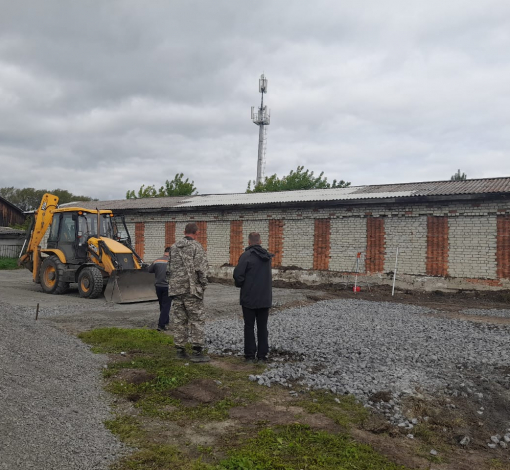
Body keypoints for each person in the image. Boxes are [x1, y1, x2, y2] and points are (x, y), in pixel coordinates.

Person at [168, 222, 209, 362]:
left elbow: (169, 269)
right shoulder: (196, 247)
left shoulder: (173, 247)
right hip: (192, 290)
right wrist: (203, 286)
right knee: (196, 320)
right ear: (196, 233)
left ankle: (180, 350)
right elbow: (201, 269)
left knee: (179, 320)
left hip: (176, 289)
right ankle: (197, 352)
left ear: (184, 231)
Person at [233, 232, 273, 363]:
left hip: (249, 298)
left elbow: (238, 274)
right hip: (265, 298)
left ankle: (250, 356)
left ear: (249, 242)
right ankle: (262, 356)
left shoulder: (246, 256)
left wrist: (241, 285)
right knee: (263, 327)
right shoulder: (267, 257)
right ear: (260, 241)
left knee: (249, 326)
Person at [148, 247, 172, 331]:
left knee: (162, 305)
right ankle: (161, 325)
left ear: (165, 252)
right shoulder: (172, 262)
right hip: (168, 286)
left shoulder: (157, 261)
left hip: (158, 286)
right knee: (166, 306)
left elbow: (149, 270)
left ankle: (166, 321)